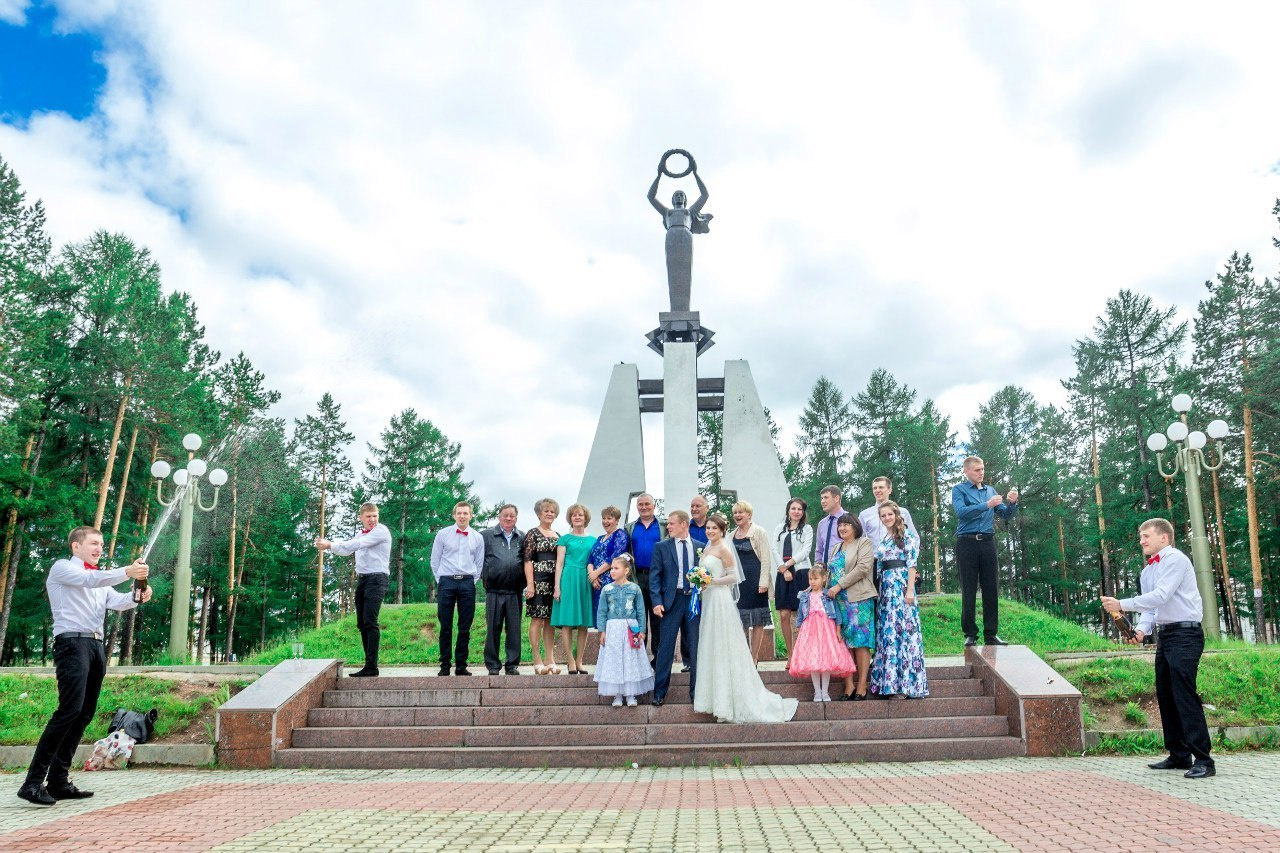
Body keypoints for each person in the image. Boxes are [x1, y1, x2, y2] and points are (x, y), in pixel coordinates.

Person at [18, 526, 151, 807]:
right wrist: (128, 571)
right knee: (69, 711)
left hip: (94, 647)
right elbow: (90, 581)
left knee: (84, 713)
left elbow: (118, 601)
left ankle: (58, 781)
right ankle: (32, 783)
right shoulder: (63, 568)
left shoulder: (98, 579)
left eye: (101, 544)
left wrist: (138, 595)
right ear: (76, 546)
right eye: (93, 543)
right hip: (71, 644)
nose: (99, 548)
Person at [1102, 518, 1215, 779]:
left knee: (1184, 695)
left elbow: (1162, 595)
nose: (1142, 541)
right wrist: (1141, 630)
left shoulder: (1175, 559)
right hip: (1166, 636)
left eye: (1146, 536)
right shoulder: (1147, 571)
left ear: (1164, 538)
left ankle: (1204, 761)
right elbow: (1152, 609)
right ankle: (1179, 755)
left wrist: (1121, 604)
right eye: (1141, 536)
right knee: (1166, 694)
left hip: (1186, 633)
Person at [692, 514, 799, 723]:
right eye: (708, 528)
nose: (710, 531)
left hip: (720, 599)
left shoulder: (724, 548)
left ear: (722, 530)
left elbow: (734, 577)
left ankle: (730, 701)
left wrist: (711, 581)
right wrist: (700, 581)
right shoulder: (705, 549)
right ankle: (714, 699)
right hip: (709, 599)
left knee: (725, 645)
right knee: (712, 644)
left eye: (714, 528)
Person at [316, 502, 391, 677]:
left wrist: (329, 545)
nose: (372, 519)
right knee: (362, 623)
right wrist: (330, 546)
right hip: (363, 580)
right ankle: (369, 665)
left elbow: (355, 545)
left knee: (370, 621)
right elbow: (346, 549)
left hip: (378, 579)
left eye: (375, 516)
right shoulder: (360, 534)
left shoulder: (381, 531)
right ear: (361, 518)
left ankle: (372, 666)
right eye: (368, 516)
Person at [951, 456, 1019, 646]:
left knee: (991, 588)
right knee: (969, 588)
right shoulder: (959, 490)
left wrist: (1012, 503)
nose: (981, 473)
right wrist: (986, 505)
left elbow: (1004, 514)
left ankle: (991, 634)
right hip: (967, 543)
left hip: (988, 543)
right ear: (966, 471)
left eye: (982, 469)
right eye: (977, 470)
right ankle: (970, 634)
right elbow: (961, 512)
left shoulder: (991, 490)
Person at [869, 502, 929, 699]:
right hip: (886, 589)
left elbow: (912, 564)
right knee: (889, 633)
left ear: (896, 515)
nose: (887, 518)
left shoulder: (906, 536)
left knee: (902, 632)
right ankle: (889, 684)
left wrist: (910, 590)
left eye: (890, 514)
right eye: (883, 515)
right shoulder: (884, 538)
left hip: (901, 587)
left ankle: (904, 686)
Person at [649, 510, 700, 706]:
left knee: (695, 648)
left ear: (684, 524)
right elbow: (655, 577)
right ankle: (659, 693)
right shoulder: (661, 547)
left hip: (694, 603)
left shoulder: (700, 547)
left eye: (671, 523)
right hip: (671, 602)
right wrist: (657, 602)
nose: (668, 527)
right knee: (665, 648)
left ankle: (696, 692)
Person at [429, 501, 484, 676]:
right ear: (454, 515)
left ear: (471, 515)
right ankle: (444, 665)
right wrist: (441, 580)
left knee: (465, 627)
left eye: (465, 513)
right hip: (446, 582)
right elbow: (435, 560)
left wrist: (471, 581)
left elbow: (479, 563)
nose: (462, 516)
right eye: (459, 513)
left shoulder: (477, 537)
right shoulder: (443, 534)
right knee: (445, 625)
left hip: (467, 583)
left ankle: (461, 665)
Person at [593, 554, 654, 706]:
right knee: (615, 659)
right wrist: (602, 631)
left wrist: (642, 630)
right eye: (611, 568)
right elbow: (601, 611)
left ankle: (631, 694)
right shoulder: (607, 589)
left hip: (630, 628)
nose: (612, 571)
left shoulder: (635, 589)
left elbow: (640, 610)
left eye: (616, 568)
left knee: (630, 658)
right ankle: (618, 695)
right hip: (612, 628)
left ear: (626, 570)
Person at [827, 513, 876, 700]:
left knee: (861, 641)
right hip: (838, 601)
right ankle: (848, 686)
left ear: (855, 526)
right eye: (840, 525)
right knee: (844, 642)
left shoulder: (864, 543)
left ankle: (862, 685)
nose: (842, 528)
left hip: (859, 599)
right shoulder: (836, 547)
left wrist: (839, 585)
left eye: (846, 524)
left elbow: (863, 568)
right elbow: (831, 573)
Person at [789, 566, 855, 702]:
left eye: (816, 578)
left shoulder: (828, 595)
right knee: (813, 661)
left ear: (824, 578)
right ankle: (817, 692)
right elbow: (801, 615)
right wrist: (800, 631)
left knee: (826, 661)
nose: (812, 582)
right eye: (810, 579)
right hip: (810, 631)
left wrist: (838, 630)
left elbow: (837, 614)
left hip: (826, 630)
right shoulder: (805, 596)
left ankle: (825, 692)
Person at [552, 504, 596, 675]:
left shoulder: (593, 540)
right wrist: (557, 587)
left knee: (583, 623)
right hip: (569, 579)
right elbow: (559, 564)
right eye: (574, 515)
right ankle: (570, 660)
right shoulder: (564, 539)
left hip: (585, 579)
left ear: (586, 518)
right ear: (570, 518)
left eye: (580, 515)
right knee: (568, 621)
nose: (577, 517)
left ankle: (580, 661)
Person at [480, 504, 523, 676]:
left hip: (515, 591)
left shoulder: (522, 537)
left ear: (516, 518)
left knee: (514, 630)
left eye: (512, 516)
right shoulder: (486, 536)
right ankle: (493, 665)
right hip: (494, 591)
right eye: (505, 515)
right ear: (499, 517)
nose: (508, 518)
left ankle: (512, 665)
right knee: (492, 629)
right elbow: (478, 559)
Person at [730, 501, 774, 665]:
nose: (738, 515)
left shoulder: (759, 532)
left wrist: (763, 582)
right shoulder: (730, 535)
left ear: (749, 514)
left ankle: (753, 657)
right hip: (738, 585)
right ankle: (743, 655)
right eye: (735, 513)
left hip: (757, 583)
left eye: (741, 512)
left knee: (757, 620)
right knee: (740, 620)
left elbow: (766, 559)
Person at [771, 498, 814, 662]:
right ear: (788, 510)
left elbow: (805, 551)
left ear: (803, 513)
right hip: (783, 573)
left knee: (801, 615)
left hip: (801, 572)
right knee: (784, 614)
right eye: (793, 508)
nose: (796, 511)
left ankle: (804, 653)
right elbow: (775, 549)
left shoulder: (807, 529)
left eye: (800, 509)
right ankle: (791, 655)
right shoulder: (779, 528)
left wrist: (787, 565)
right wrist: (782, 568)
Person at [523, 498, 561, 675]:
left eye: (552, 511)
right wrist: (530, 584)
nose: (549, 514)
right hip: (538, 581)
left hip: (555, 583)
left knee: (550, 621)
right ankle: (537, 659)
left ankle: (550, 659)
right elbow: (528, 560)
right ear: (539, 513)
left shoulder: (559, 536)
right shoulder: (532, 533)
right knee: (537, 619)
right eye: (546, 510)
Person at [859, 476, 918, 588]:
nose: (877, 490)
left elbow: (914, 538)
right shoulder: (864, 515)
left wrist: (912, 563)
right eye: (875, 488)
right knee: (878, 602)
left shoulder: (903, 512)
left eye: (881, 487)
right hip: (874, 564)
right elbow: (860, 541)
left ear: (890, 489)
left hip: (900, 566)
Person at [627, 493, 666, 656]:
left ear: (654, 505)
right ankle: (638, 656)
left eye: (647, 504)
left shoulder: (663, 526)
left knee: (657, 618)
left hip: (657, 578)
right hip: (636, 577)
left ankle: (658, 658)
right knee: (637, 618)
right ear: (637, 507)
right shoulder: (629, 527)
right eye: (640, 504)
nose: (643, 507)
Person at [587, 506, 630, 617]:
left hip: (611, 581)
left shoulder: (620, 535)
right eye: (604, 518)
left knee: (612, 616)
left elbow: (614, 558)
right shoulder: (599, 538)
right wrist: (592, 576)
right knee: (600, 617)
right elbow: (590, 558)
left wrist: (596, 573)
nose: (605, 521)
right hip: (597, 583)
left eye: (609, 518)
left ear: (616, 520)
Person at [813, 485, 846, 570]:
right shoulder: (822, 524)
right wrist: (817, 568)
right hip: (824, 573)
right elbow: (819, 550)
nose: (822, 501)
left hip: (843, 570)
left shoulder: (849, 519)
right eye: (821, 498)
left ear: (836, 498)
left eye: (826, 497)